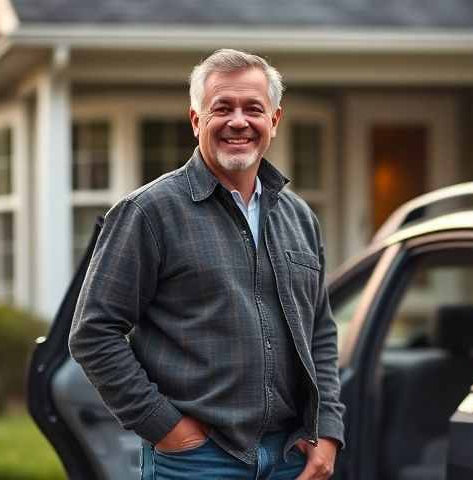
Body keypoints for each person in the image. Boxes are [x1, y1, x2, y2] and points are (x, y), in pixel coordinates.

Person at [69, 49, 344, 480]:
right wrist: (167, 428)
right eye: (222, 108)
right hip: (197, 461)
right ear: (197, 120)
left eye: (253, 109)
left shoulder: (299, 217)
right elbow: (93, 333)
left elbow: (321, 333)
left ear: (274, 120)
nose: (238, 121)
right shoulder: (149, 213)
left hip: (292, 459)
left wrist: (327, 431)